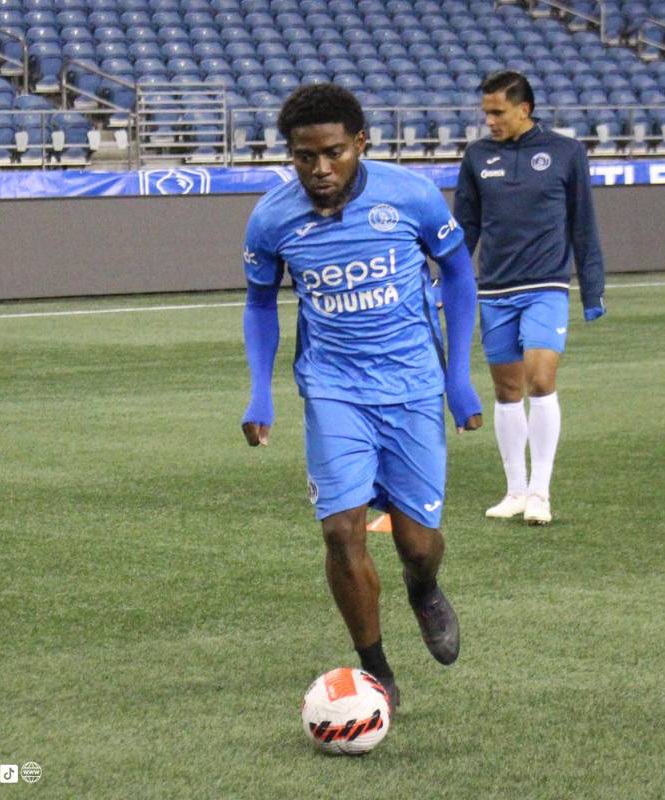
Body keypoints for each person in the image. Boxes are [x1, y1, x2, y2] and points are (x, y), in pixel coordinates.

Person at [240, 84, 483, 709]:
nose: (320, 169)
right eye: (305, 157)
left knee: (417, 544)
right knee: (340, 530)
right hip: (333, 390)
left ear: (361, 143)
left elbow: (458, 274)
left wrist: (458, 377)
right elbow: (260, 303)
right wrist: (260, 392)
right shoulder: (271, 219)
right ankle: (376, 671)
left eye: (334, 153)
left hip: (413, 386)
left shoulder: (411, 196)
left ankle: (423, 588)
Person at [453, 70, 606, 526]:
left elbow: (583, 223)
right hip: (495, 289)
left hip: (546, 286)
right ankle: (515, 490)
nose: (490, 121)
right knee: (506, 390)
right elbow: (465, 227)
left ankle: (540, 492)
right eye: (486, 113)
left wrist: (592, 287)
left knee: (540, 380)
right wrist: (449, 281)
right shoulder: (477, 157)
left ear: (525, 109)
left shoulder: (566, 153)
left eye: (498, 112)